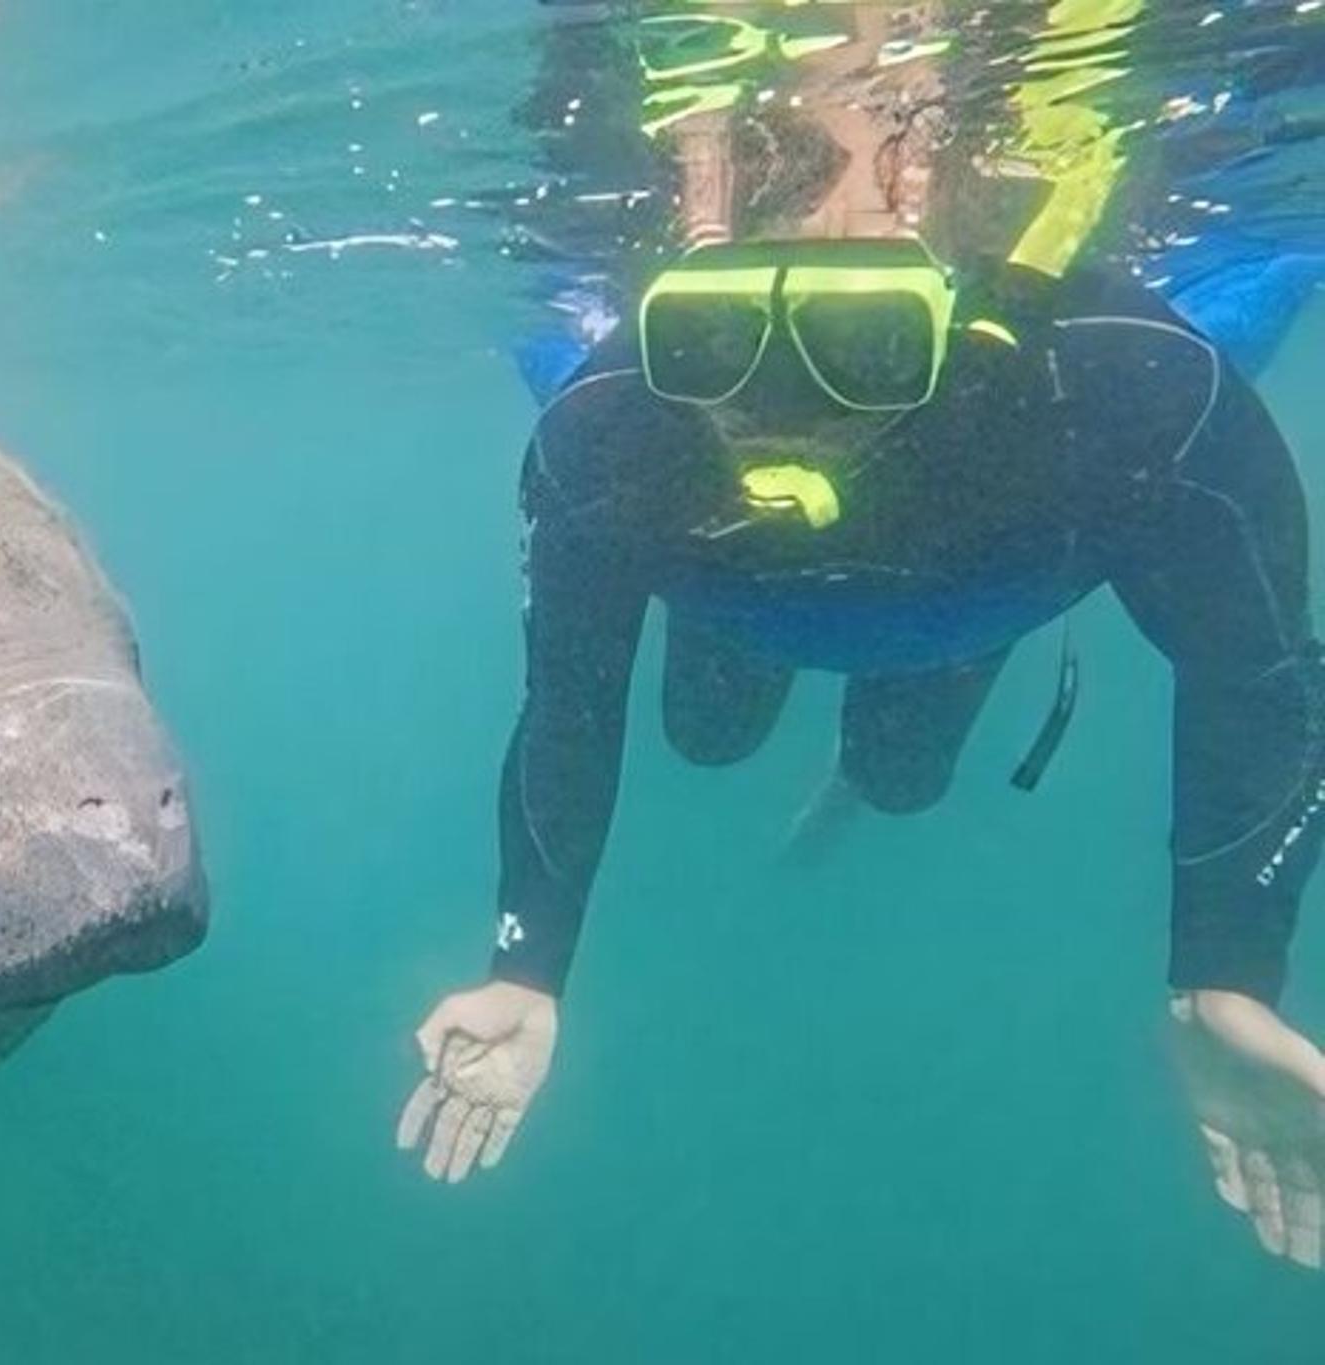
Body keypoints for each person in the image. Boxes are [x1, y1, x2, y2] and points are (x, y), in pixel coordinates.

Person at [397, 0, 1325, 1270]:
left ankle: (859, 752)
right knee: (706, 738)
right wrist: (527, 968)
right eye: (713, 343)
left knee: (895, 779)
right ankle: (789, 686)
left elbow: (1260, 681)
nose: (781, 406)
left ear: (949, 310)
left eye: (865, 343)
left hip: (956, 609)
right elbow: (564, 702)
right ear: (666, 301)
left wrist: (1221, 976)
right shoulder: (611, 432)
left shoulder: (1121, 392)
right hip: (756, 596)